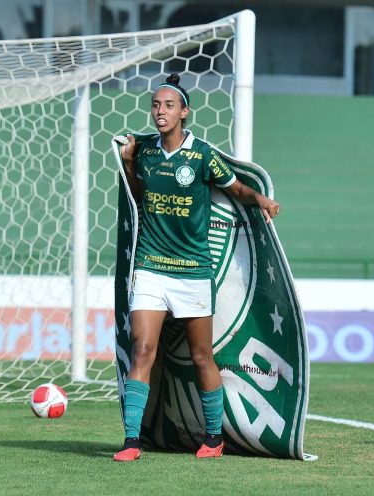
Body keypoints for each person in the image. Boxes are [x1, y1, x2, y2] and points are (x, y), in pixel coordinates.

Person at [114, 74, 279, 462]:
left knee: (202, 356)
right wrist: (128, 164)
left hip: (192, 271)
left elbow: (236, 188)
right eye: (155, 105)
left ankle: (214, 437)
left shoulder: (202, 155)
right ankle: (132, 441)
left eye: (169, 105)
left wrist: (262, 200)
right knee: (142, 350)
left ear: (184, 112)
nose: (160, 111)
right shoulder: (145, 152)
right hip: (151, 266)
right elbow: (140, 199)